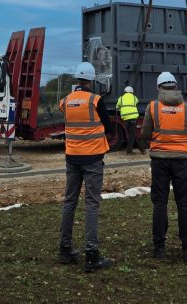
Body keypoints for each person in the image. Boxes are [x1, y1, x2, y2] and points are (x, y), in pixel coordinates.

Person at [140, 71, 187, 263]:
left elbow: (144, 134)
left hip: (159, 160)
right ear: (175, 86)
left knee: (160, 203)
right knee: (184, 203)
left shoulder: (152, 107)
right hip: (181, 161)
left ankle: (159, 248)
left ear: (159, 87)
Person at [57, 62, 113, 272]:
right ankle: (91, 254)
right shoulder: (96, 100)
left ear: (77, 80)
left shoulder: (66, 101)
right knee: (91, 204)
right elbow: (108, 126)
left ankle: (65, 250)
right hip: (92, 158)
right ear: (92, 80)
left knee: (69, 201)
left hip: (72, 157)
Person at [115, 85, 144, 154]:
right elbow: (136, 102)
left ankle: (138, 149)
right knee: (132, 134)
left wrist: (120, 109)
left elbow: (117, 107)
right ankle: (132, 150)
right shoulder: (134, 97)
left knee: (131, 134)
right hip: (133, 117)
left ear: (125, 91)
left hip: (125, 119)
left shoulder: (121, 98)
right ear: (132, 92)